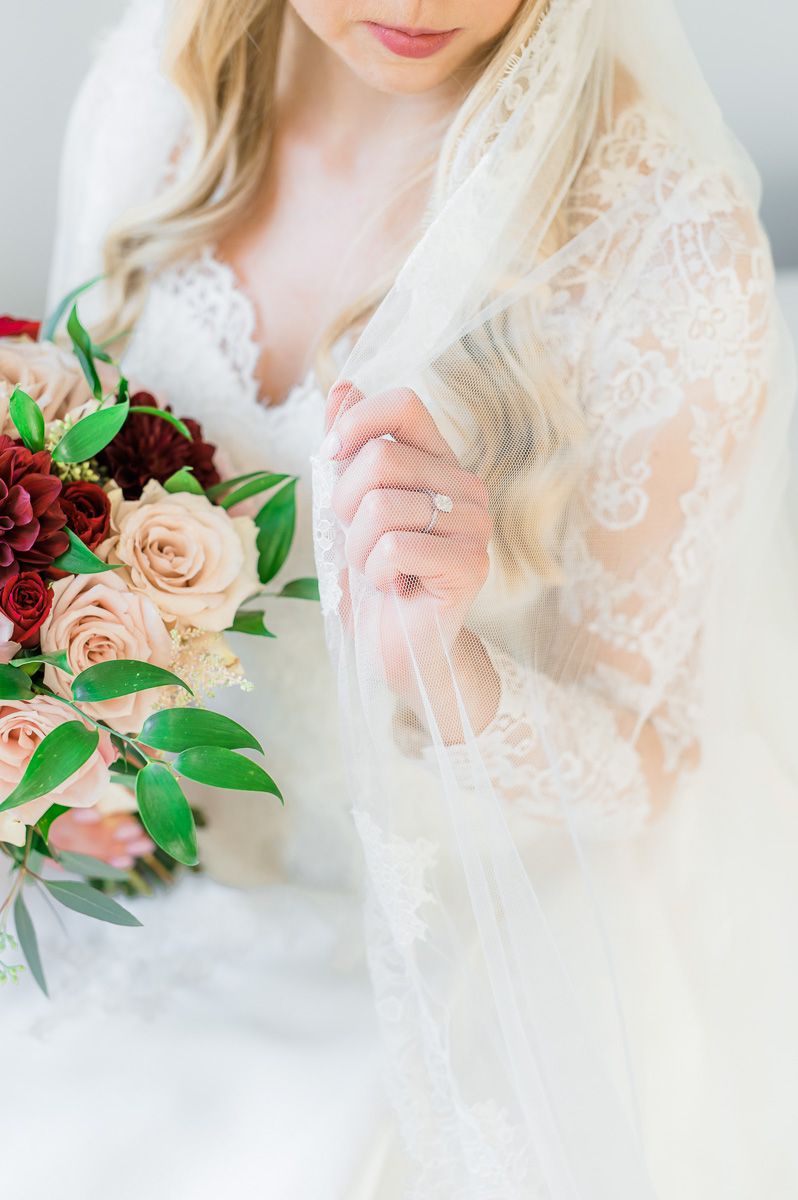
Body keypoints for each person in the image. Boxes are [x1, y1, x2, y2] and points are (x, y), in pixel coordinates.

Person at [4, 0, 798, 1196]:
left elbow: (651, 766)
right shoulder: (150, 100)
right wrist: (66, 767)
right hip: (140, 890)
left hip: (444, 953)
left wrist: (446, 668)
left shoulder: (666, 254)